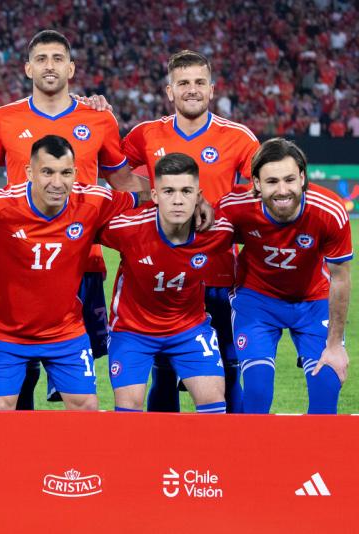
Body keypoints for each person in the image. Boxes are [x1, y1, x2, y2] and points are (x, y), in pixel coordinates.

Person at [0, 29, 147, 408]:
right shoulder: (3, 119)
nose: (49, 66)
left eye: (58, 58)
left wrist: (177, 191)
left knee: (73, 391)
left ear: (71, 68)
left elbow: (123, 181)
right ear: (28, 67)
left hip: (82, 262)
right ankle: (21, 463)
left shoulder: (98, 119)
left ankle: (65, 466)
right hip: (18, 259)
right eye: (41, 59)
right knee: (16, 381)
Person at [0, 135, 142, 410]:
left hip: (65, 332)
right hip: (5, 332)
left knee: (87, 408)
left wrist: (196, 204)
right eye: (47, 172)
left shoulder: (93, 201)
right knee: (0, 409)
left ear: (75, 173)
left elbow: (145, 199)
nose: (57, 183)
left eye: (65, 173)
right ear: (29, 173)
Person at [122, 50, 259, 413]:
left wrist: (220, 207)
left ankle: (230, 456)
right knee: (163, 370)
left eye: (199, 82)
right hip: (162, 274)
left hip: (217, 275)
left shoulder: (238, 138)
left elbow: (260, 192)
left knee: (228, 370)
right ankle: (159, 459)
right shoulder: (145, 136)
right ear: (170, 91)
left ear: (212, 89)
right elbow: (116, 176)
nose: (192, 90)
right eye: (183, 83)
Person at [218, 138, 352, 414]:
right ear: (256, 183)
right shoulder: (234, 207)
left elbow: (340, 278)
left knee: (327, 388)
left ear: (302, 177)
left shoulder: (329, 211)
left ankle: (318, 458)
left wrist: (335, 344)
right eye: (272, 181)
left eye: (290, 179)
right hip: (257, 300)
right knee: (256, 391)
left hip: (314, 301)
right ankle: (251, 456)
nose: (282, 190)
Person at [98, 153, 232, 413]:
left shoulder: (219, 232)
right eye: (168, 191)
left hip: (189, 328)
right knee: (129, 410)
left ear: (198, 195)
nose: (178, 200)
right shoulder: (127, 229)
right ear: (155, 195)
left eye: (186, 191)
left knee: (214, 406)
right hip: (132, 331)